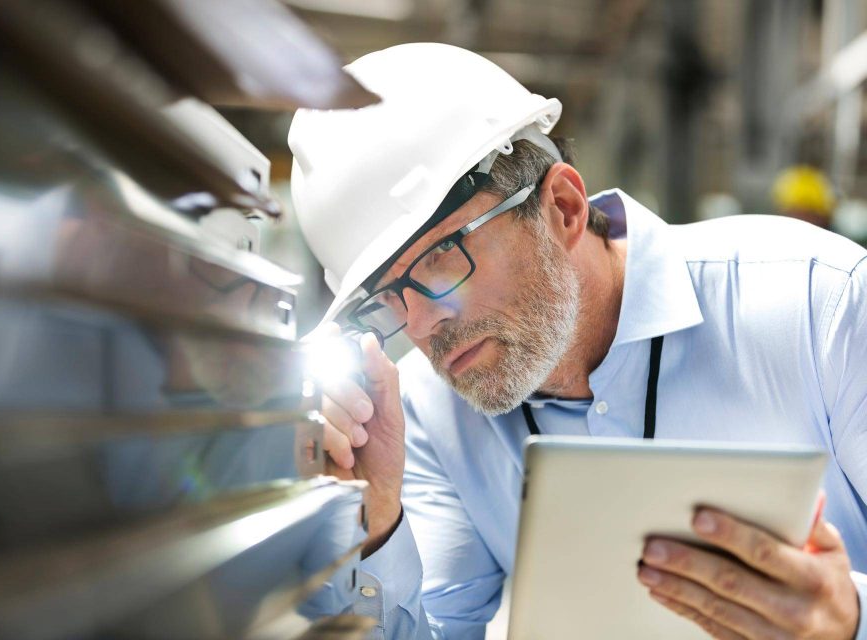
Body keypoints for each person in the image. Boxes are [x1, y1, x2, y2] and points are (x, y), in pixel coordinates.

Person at [288, 43, 867, 639]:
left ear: (562, 208)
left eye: (440, 259)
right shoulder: (426, 417)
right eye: (385, 297)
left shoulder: (819, 303)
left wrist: (849, 618)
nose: (418, 325)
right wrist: (376, 524)